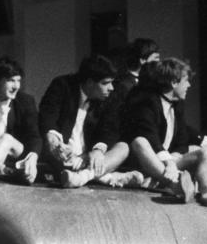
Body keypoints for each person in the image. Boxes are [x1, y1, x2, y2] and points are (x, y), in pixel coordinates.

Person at [123, 56, 207, 207]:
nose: (189, 85)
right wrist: (169, 163)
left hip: (168, 164)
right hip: (149, 164)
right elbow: (150, 138)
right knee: (139, 142)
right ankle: (176, 186)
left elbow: (184, 135)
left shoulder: (177, 105)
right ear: (174, 82)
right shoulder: (147, 104)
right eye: (186, 80)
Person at [39, 54, 143, 189]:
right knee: (50, 147)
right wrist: (54, 140)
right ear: (89, 83)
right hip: (64, 155)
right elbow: (47, 115)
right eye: (105, 83)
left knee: (123, 147)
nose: (111, 88)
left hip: (90, 157)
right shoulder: (62, 85)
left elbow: (110, 128)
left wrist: (97, 149)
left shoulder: (110, 96)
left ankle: (84, 177)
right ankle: (109, 178)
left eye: (111, 82)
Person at [0, 56, 41, 184]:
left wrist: (33, 157)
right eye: (11, 80)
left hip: (12, 155)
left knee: (6, 139)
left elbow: (35, 137)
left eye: (18, 81)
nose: (16, 86)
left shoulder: (25, 101)